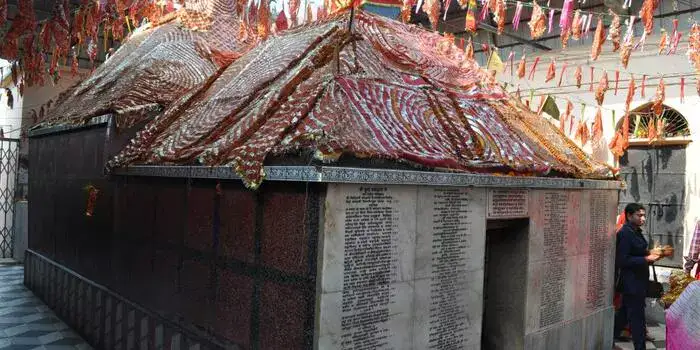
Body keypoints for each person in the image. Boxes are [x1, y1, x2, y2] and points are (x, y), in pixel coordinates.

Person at [614, 203, 663, 350]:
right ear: (629, 216)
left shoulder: (637, 231)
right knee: (637, 319)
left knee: (624, 314)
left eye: (643, 215)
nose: (643, 218)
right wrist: (646, 259)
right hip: (631, 283)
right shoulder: (625, 233)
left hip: (639, 281)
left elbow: (639, 251)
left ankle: (610, 335)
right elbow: (622, 260)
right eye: (639, 215)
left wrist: (652, 253)